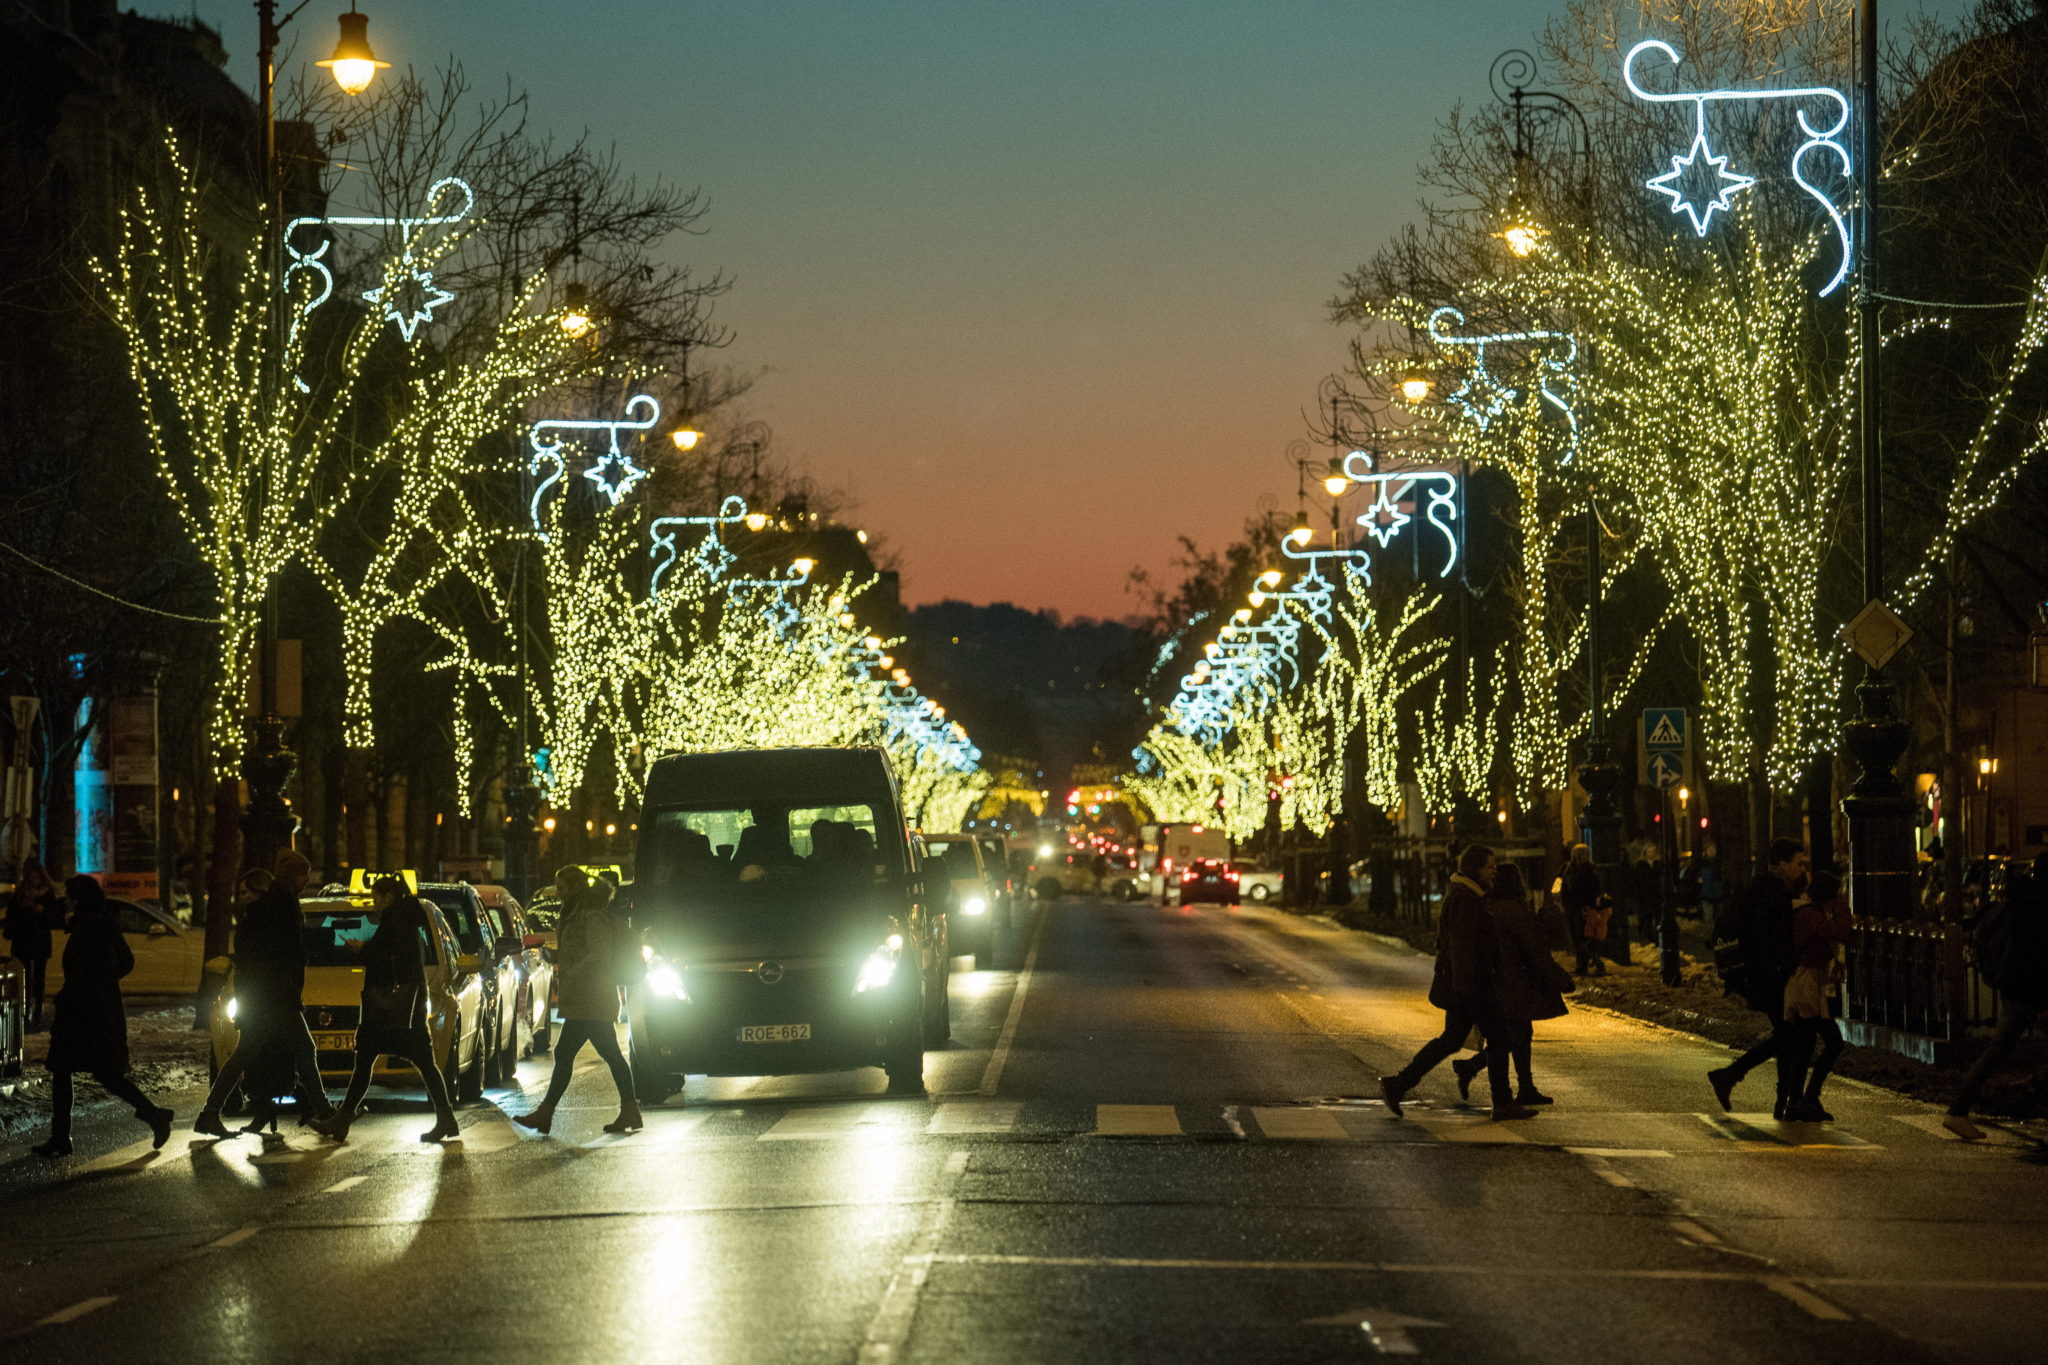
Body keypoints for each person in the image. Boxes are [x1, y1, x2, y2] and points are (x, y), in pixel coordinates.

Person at [1380, 844, 1538, 1122]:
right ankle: (1502, 1102)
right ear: (1476, 868)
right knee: (1500, 1038)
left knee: (1451, 1041)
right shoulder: (1467, 898)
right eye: (1490, 866)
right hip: (1472, 986)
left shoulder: (1469, 894)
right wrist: (1466, 988)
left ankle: (1398, 1084)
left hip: (1467, 985)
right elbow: (1463, 946)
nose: (1494, 871)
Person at [193, 850, 335, 1137]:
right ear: (296, 876)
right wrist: (289, 985)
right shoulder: (282, 904)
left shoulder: (273, 903)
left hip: (266, 995)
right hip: (277, 996)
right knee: (304, 1050)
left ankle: (209, 1113)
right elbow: (283, 953)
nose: (306, 881)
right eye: (303, 875)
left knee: (245, 1054)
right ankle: (325, 1113)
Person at [31, 875, 174, 1158]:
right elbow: (125, 962)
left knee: (92, 1072)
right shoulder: (101, 924)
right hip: (95, 1011)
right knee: (83, 1071)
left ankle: (153, 1115)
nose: (66, 900)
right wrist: (106, 984)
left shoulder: (88, 928)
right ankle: (62, 1136)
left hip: (84, 1014)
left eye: (69, 895)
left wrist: (85, 991)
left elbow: (83, 972)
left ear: (79, 899)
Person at [310, 876, 460, 1143]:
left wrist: (362, 949)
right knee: (415, 1061)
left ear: (388, 897)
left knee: (373, 1059)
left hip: (389, 1006)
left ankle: (342, 1119)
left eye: (376, 897)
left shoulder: (396, 919)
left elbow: (387, 957)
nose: (374, 902)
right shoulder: (406, 917)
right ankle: (445, 1118)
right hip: (402, 1004)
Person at [514, 867, 642, 1135]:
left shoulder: (592, 916)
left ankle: (545, 1113)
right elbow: (580, 952)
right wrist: (554, 956)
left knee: (568, 1054)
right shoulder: (576, 915)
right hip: (586, 998)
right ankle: (629, 1109)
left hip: (592, 998)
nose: (559, 894)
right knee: (609, 1054)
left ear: (576, 888)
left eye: (563, 888)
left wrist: (572, 970)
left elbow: (599, 954)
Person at [1944, 852, 2048, 1140]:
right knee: (1996, 1051)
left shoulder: (2020, 903)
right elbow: (2036, 960)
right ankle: (1956, 1111)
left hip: (2015, 992)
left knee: (1995, 1051)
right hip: (2032, 996)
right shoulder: (2039, 909)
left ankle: (1957, 1111)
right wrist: (2041, 1004)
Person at [1453, 862, 1573, 1106]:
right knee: (1512, 1036)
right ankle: (1487, 1077)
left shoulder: (1490, 907)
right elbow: (1536, 950)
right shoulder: (1515, 912)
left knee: (1517, 1033)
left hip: (1497, 981)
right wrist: (1560, 978)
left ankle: (1523, 1085)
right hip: (1514, 982)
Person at [1707, 838, 1810, 1119]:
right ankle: (1731, 1075)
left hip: (1761, 973)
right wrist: (1782, 968)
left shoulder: (1764, 886)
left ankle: (1779, 1100)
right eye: (1799, 863)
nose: (1803, 869)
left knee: (1787, 1034)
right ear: (1782, 863)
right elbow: (1768, 936)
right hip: (1768, 976)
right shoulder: (1772, 893)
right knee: (1791, 1034)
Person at [1783, 870, 1852, 1122]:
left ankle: (1799, 1101)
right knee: (1831, 1042)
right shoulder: (1809, 915)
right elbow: (1840, 933)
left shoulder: (1812, 914)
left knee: (1806, 1044)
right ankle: (1806, 1098)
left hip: (1811, 984)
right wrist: (1844, 909)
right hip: (1805, 987)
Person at [5, 858, 61, 1026]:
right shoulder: (21, 894)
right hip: (23, 939)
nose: (34, 881)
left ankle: (38, 1007)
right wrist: (25, 908)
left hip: (40, 939)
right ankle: (25, 1006)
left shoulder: (48, 894)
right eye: (31, 877)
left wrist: (43, 911)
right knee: (24, 975)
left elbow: (55, 916)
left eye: (37, 877)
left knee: (39, 976)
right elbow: (12, 916)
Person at [1560, 844, 1605, 976]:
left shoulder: (1573, 870)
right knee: (1582, 937)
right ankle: (1585, 964)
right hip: (1579, 907)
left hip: (1580, 908)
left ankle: (1586, 964)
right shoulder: (1574, 870)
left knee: (1582, 937)